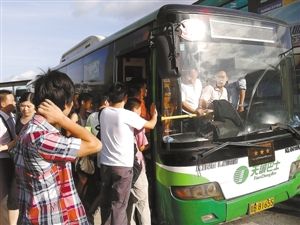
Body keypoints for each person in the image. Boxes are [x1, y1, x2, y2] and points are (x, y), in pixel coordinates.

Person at [10, 70, 102, 224]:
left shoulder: (30, 129)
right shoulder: (42, 138)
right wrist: (63, 119)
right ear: (66, 104)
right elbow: (96, 144)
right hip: (53, 218)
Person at [99, 82, 157, 225]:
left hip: (105, 165)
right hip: (122, 167)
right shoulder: (127, 115)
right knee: (119, 206)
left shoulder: (104, 113)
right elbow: (151, 125)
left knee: (106, 204)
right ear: (125, 98)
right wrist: (154, 114)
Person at [125, 97, 151, 225]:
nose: (141, 111)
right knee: (142, 203)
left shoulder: (121, 121)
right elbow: (142, 146)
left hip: (123, 167)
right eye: (140, 108)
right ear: (135, 109)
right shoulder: (138, 124)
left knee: (129, 203)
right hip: (137, 166)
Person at [0, 90, 19, 225]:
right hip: (2, 161)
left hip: (11, 159)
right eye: (12, 100)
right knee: (4, 197)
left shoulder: (12, 116)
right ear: (2, 103)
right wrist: (11, 144)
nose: (15, 103)